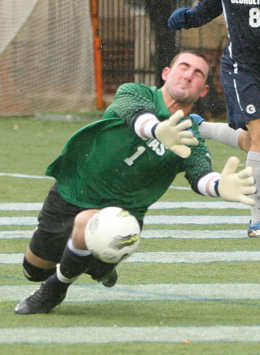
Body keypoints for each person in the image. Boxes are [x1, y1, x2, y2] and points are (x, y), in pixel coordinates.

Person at [14, 50, 256, 315]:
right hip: (73, 191)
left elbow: (200, 173)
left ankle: (55, 290)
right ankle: (100, 266)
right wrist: (156, 130)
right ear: (166, 73)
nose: (189, 75)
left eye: (198, 74)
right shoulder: (134, 92)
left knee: (90, 225)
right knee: (33, 271)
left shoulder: (191, 134)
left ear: (203, 90)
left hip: (123, 214)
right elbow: (133, 113)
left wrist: (220, 185)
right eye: (184, 67)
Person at [168, 0, 260, 237]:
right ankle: (257, 220)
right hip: (244, 68)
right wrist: (188, 18)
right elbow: (206, 10)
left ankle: (203, 128)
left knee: (253, 142)